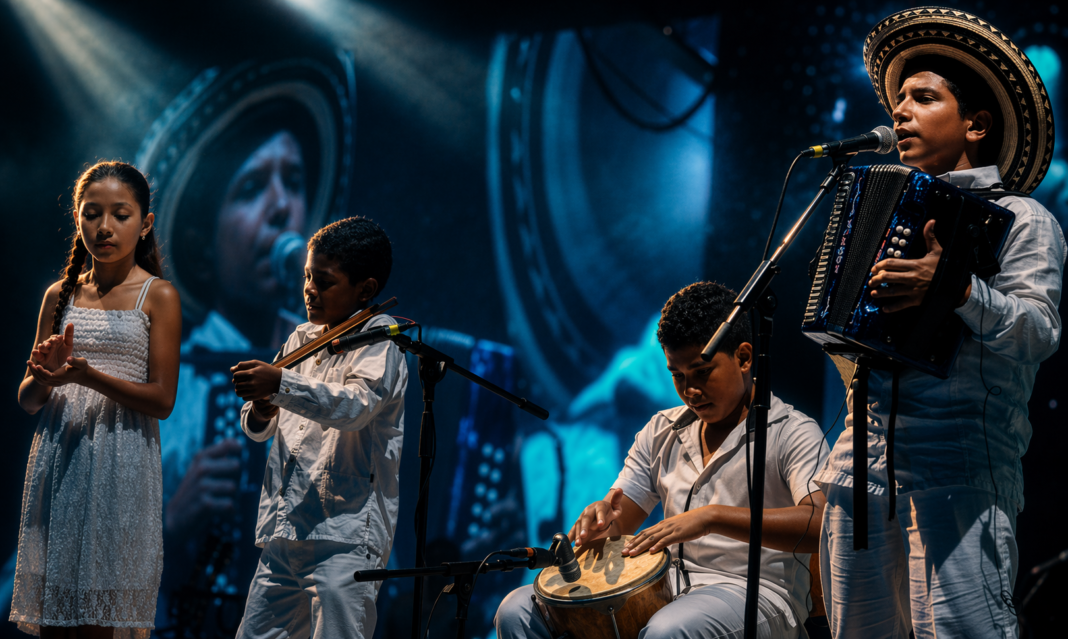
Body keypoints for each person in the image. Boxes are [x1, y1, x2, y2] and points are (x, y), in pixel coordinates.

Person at [816, 10, 1067, 639]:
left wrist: (957, 289)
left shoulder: (1022, 218)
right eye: (898, 99)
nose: (899, 112)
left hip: (959, 472)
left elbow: (1039, 332)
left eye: (923, 98)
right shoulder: (879, 209)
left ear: (976, 124)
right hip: (859, 473)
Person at [496, 282, 829, 639]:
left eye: (702, 371)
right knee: (516, 610)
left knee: (667, 632)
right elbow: (620, 519)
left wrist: (711, 518)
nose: (690, 390)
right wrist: (602, 521)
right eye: (677, 375)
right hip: (666, 585)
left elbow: (821, 523)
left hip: (758, 594)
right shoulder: (661, 429)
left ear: (744, 358)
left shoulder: (792, 430)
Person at [11, 161, 182, 638]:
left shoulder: (158, 295)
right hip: (60, 462)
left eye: (120, 215)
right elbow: (28, 401)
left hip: (121, 464)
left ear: (144, 223)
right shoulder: (59, 295)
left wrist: (87, 376)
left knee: (99, 623)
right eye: (92, 214)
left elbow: (163, 400)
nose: (104, 227)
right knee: (56, 621)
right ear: (77, 218)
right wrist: (46, 378)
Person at [230, 217, 407, 639]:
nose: (309, 288)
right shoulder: (300, 338)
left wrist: (280, 384)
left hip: (344, 537)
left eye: (324, 281)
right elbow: (259, 429)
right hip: (285, 530)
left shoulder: (381, 339)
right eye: (308, 276)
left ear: (364, 290)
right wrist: (261, 409)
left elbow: (355, 407)